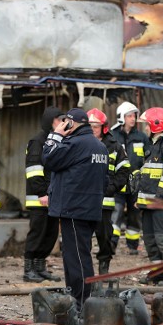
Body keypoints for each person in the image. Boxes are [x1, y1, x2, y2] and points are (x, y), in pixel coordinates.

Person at [42, 108, 108, 310]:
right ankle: (78, 298)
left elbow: (49, 159)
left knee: (77, 259)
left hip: (73, 208)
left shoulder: (75, 144)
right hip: (88, 207)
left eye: (65, 122)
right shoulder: (99, 146)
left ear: (71, 124)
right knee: (80, 255)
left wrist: (55, 136)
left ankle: (82, 303)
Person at [136, 108, 163, 276]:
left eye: (147, 124)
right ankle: (158, 273)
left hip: (161, 203)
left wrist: (160, 197)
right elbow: (149, 174)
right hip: (148, 202)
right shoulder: (155, 144)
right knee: (151, 240)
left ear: (156, 125)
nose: (146, 128)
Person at [22, 106, 65, 282]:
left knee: (50, 234)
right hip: (39, 199)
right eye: (58, 120)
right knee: (37, 234)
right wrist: (41, 193)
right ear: (50, 122)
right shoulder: (37, 141)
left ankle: (40, 267)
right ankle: (28, 270)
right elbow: (33, 170)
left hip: (52, 197)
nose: (62, 123)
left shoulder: (56, 140)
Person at [87, 108, 130, 274]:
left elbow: (124, 169)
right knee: (83, 238)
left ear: (104, 128)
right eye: (89, 125)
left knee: (105, 237)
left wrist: (112, 188)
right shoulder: (79, 143)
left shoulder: (114, 146)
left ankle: (104, 265)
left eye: (95, 126)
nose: (92, 129)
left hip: (104, 201)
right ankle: (86, 270)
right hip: (84, 201)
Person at [110, 101, 150, 255]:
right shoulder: (113, 136)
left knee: (134, 216)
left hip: (136, 185)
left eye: (134, 115)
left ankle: (133, 245)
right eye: (129, 116)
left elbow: (148, 157)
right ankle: (111, 243)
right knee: (116, 213)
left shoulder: (141, 137)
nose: (133, 119)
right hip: (118, 183)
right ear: (122, 117)